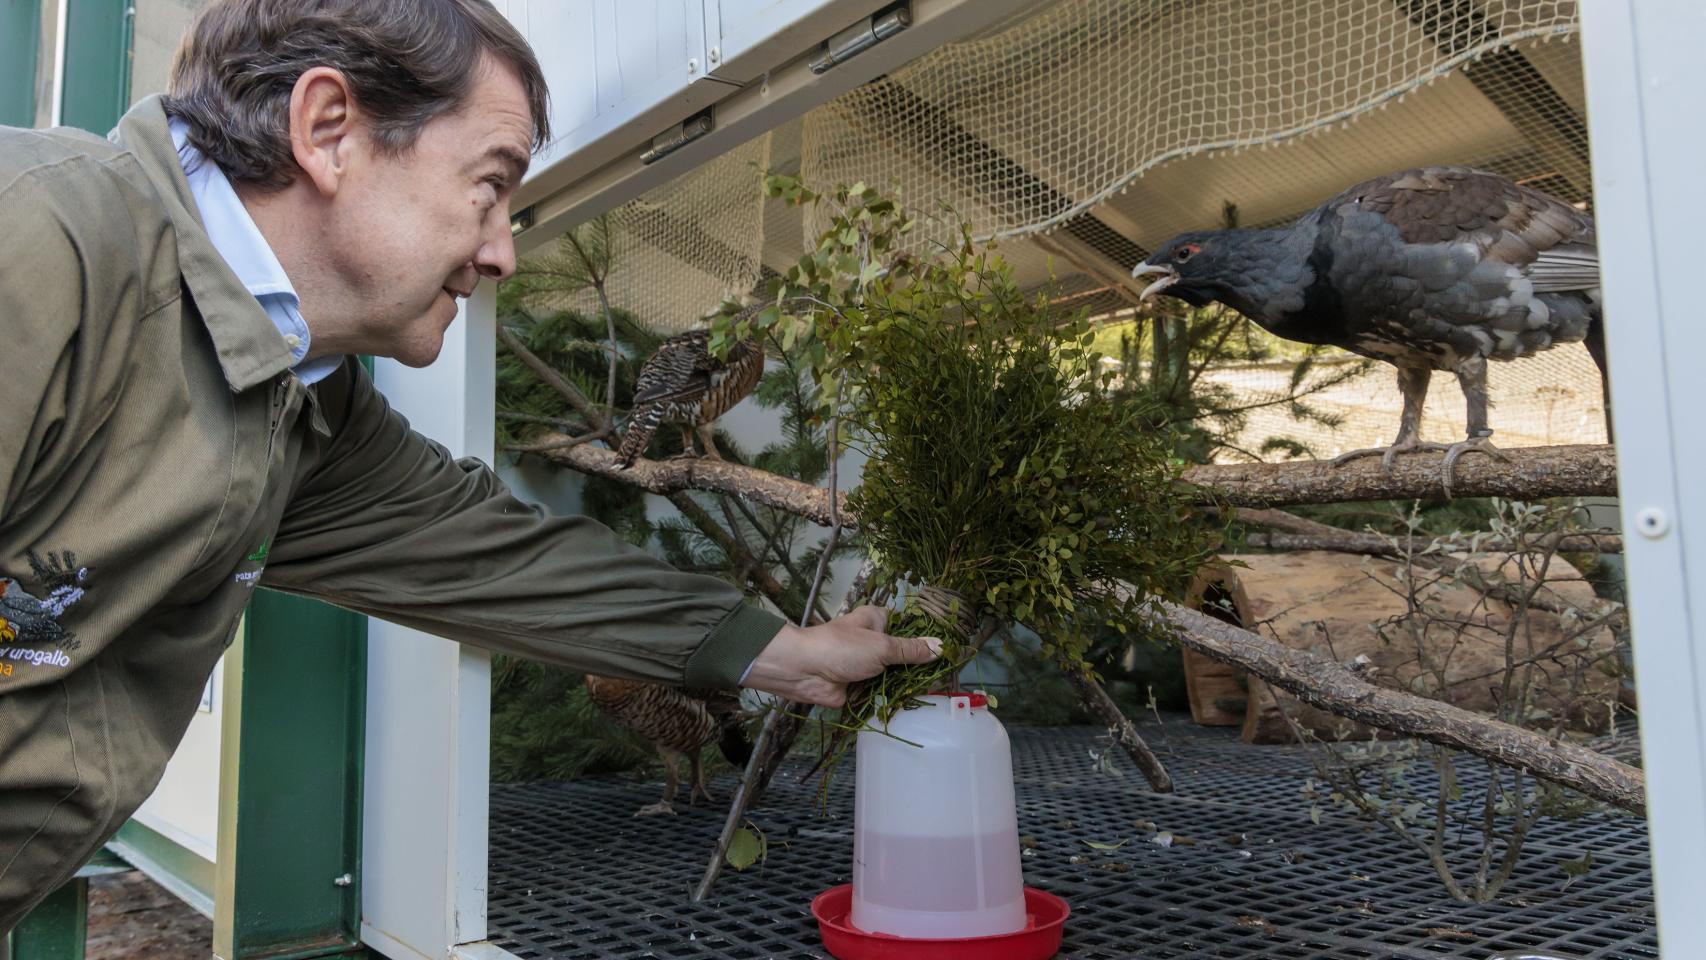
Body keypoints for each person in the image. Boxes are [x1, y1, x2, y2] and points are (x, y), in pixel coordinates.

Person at [0, 0, 937, 927]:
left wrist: (790, 656)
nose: (504, 255)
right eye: (490, 188)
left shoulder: (305, 403)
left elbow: (501, 559)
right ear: (330, 133)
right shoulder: (44, 247)